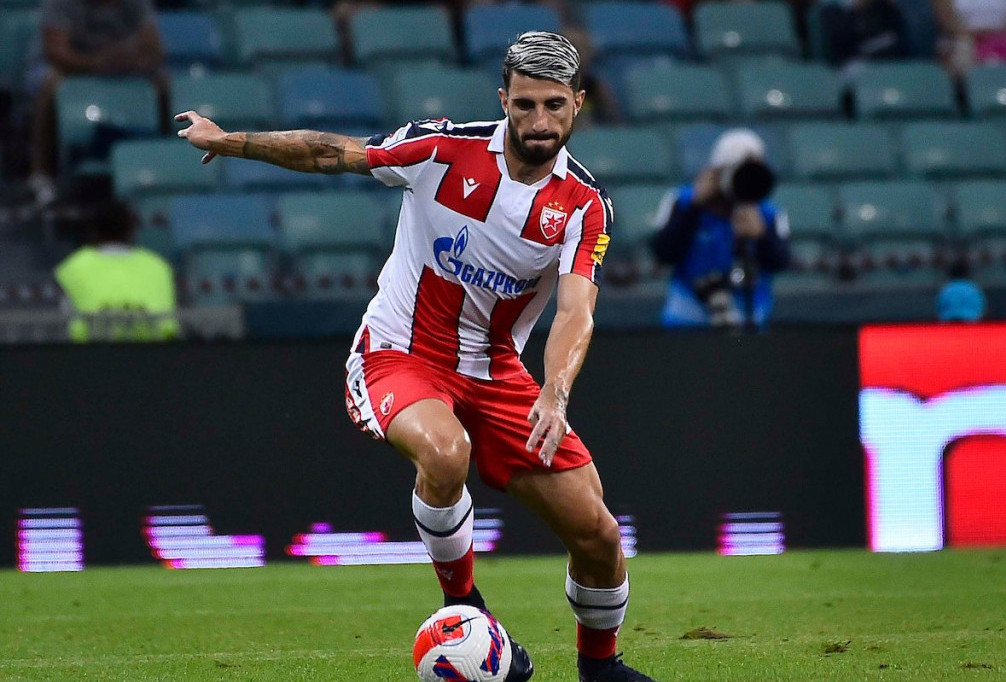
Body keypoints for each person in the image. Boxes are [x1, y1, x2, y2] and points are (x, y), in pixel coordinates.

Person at [176, 31, 658, 682]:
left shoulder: (583, 206)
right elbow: (331, 152)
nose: (539, 121)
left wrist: (555, 389)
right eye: (524, 105)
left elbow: (576, 311)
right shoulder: (442, 149)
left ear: (577, 104)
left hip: (496, 371)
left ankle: (599, 669)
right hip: (399, 353)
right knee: (445, 451)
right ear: (504, 101)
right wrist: (231, 141)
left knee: (598, 534)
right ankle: (465, 606)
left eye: (553, 105)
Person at [28, 0, 166, 205]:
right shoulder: (60, 4)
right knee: (50, 84)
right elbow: (55, 51)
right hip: (69, 67)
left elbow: (154, 49)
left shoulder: (135, 3)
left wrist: (133, 62)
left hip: (116, 68)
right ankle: (42, 173)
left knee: (163, 83)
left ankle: (162, 165)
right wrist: (97, 63)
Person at [651, 128, 790, 329]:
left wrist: (761, 236)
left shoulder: (767, 213)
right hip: (687, 319)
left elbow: (781, 262)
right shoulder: (682, 201)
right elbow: (663, 253)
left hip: (749, 318)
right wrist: (695, 207)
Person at [54, 199, 180, 342]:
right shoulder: (159, 267)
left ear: (93, 230)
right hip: (156, 352)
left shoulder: (71, 268)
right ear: (131, 229)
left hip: (90, 351)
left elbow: (63, 323)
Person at [932, 0, 1006, 76]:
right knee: (962, 52)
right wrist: (977, 36)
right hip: (961, 38)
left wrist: (994, 35)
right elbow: (947, 20)